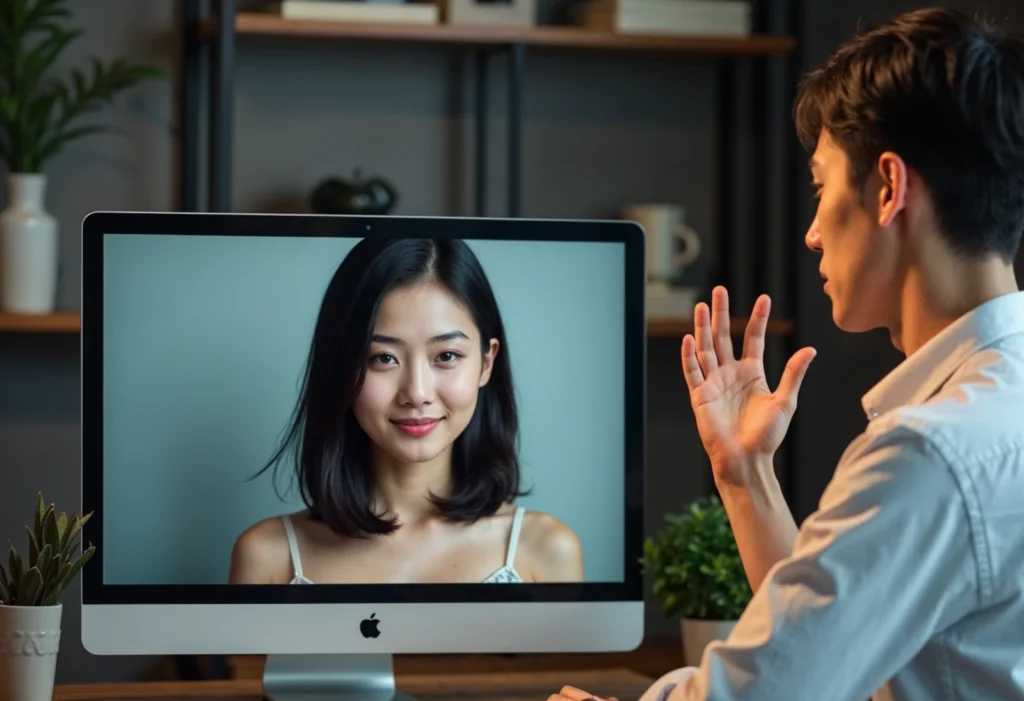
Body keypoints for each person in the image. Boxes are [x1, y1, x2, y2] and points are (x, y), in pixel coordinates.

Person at [550, 7, 1024, 701]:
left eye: (821, 186)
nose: (809, 233)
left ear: (888, 188)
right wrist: (745, 475)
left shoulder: (932, 451)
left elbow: (769, 692)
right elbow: (832, 651)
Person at [230, 237, 584, 585]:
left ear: (487, 363)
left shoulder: (547, 550)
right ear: (340, 366)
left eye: (446, 356)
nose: (416, 393)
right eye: (383, 358)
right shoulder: (266, 556)